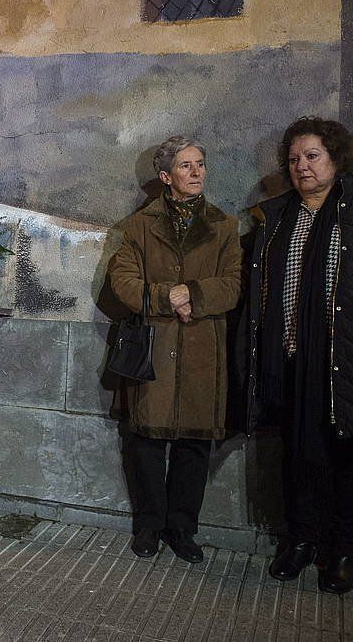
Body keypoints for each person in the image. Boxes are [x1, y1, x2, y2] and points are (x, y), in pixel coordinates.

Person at [245, 117, 353, 594]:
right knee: (298, 454)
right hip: (291, 360)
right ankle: (300, 541)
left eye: (312, 156)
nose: (301, 166)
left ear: (337, 158)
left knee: (350, 456)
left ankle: (345, 549)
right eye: (293, 159)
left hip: (352, 362)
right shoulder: (279, 215)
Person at [107, 136, 241, 563]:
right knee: (145, 442)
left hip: (204, 352)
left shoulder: (225, 226)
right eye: (186, 166)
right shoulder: (137, 227)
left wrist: (194, 293)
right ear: (166, 177)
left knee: (193, 446)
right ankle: (148, 526)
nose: (197, 172)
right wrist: (169, 298)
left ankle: (182, 529)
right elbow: (123, 283)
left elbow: (234, 285)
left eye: (200, 164)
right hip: (155, 348)